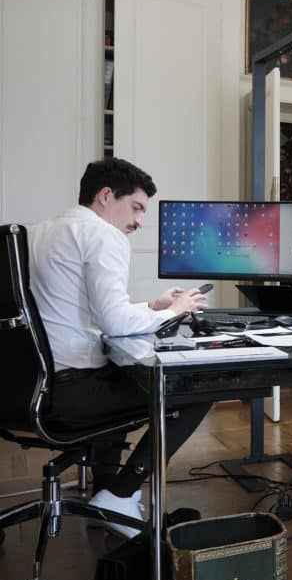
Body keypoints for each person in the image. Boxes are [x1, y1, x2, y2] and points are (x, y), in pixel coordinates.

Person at [28, 158, 210, 539]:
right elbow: (112, 323)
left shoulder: (39, 233)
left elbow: (85, 310)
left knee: (116, 369)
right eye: (137, 207)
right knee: (198, 386)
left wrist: (153, 306)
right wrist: (175, 312)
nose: (140, 221)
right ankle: (119, 495)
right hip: (71, 393)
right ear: (106, 195)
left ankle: (106, 490)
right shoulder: (103, 235)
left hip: (32, 386)